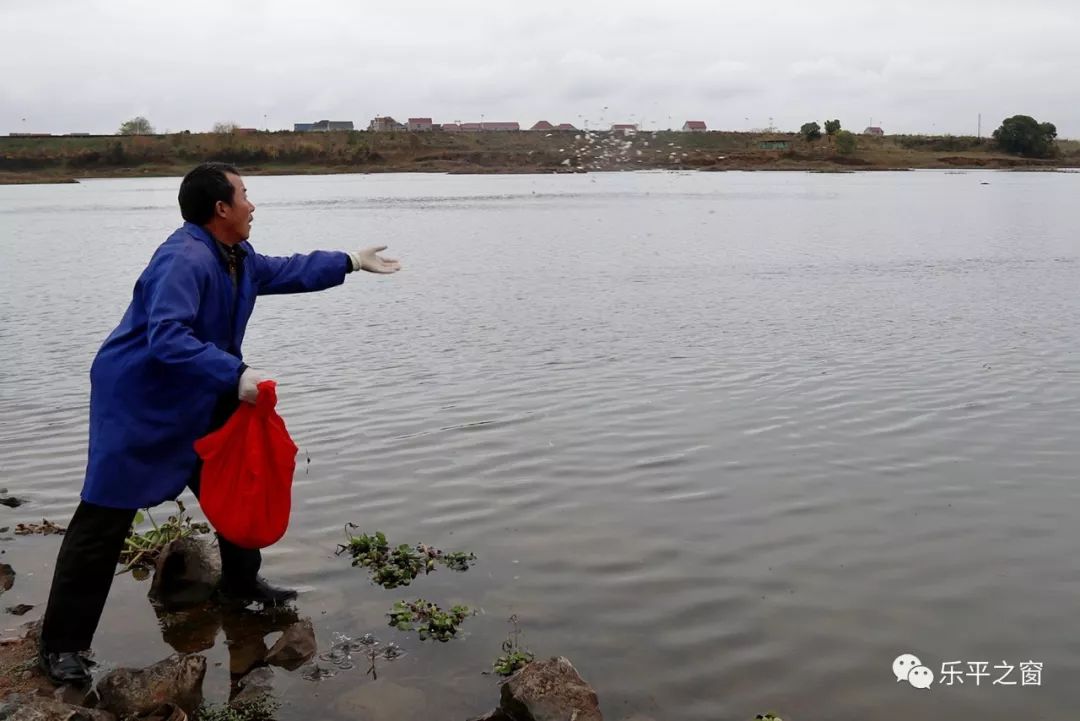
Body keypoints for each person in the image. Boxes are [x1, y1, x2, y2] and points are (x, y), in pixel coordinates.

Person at [37, 162, 401, 686]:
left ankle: (240, 587)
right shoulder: (181, 259)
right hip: (141, 403)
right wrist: (236, 373)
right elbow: (166, 336)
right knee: (101, 523)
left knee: (239, 484)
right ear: (221, 209)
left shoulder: (235, 255)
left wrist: (348, 261)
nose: (253, 205)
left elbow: (285, 269)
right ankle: (62, 646)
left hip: (200, 394)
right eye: (245, 196)